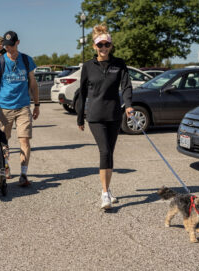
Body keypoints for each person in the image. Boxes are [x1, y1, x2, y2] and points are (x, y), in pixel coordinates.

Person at [77, 24, 134, 210]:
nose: (103, 48)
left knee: (110, 152)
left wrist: (129, 106)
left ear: (110, 46)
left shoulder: (119, 64)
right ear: (94, 46)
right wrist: (80, 116)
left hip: (114, 115)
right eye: (100, 45)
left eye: (106, 45)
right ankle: (104, 194)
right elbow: (82, 93)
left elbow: (126, 86)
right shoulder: (88, 66)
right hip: (95, 116)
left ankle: (108, 189)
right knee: (105, 152)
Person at [0, 30, 40, 187]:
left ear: (18, 42)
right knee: (3, 142)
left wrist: (37, 104)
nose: (9, 48)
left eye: (11, 45)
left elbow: (33, 84)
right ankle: (5, 165)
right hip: (3, 108)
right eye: (6, 46)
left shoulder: (27, 60)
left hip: (23, 107)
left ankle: (23, 174)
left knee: (25, 141)